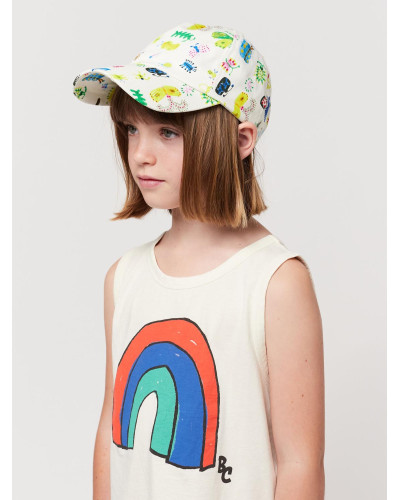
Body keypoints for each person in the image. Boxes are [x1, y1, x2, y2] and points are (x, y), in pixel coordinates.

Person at [72, 22, 325, 500]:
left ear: (241, 140)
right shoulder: (123, 278)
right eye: (131, 129)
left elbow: (300, 464)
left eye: (168, 132)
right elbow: (112, 430)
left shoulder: (275, 282)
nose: (140, 154)